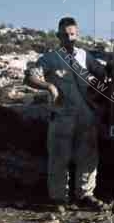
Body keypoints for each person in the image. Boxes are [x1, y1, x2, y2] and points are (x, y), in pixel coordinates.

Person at [25, 17, 107, 210]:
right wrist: (49, 86)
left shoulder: (84, 56)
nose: (69, 38)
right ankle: (58, 198)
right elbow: (30, 77)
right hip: (62, 116)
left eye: (72, 34)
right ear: (58, 36)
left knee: (87, 157)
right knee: (59, 158)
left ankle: (85, 195)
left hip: (86, 116)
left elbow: (102, 73)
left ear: (77, 34)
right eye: (65, 35)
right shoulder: (50, 58)